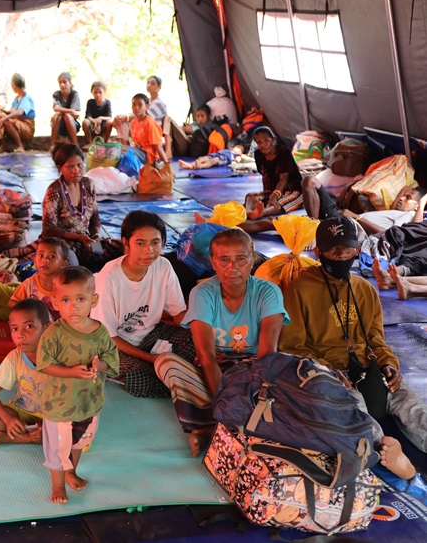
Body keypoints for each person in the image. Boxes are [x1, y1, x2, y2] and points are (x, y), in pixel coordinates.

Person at [279, 218, 427, 459]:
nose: (341, 255)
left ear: (357, 250)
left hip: (367, 367)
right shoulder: (299, 289)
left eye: (348, 249)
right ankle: (385, 454)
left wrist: (388, 364)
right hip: (328, 372)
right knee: (355, 414)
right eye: (333, 250)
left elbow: (376, 338)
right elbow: (291, 347)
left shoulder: (364, 288)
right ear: (319, 252)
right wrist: (324, 369)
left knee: (411, 406)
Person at [154, 228, 289, 456]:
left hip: (254, 371)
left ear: (253, 259)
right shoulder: (202, 293)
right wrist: (226, 403)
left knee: (293, 376)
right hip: (214, 371)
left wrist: (247, 395)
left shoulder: (268, 292)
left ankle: (211, 427)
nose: (232, 267)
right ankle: (234, 424)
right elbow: (206, 357)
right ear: (213, 261)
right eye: (224, 259)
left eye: (241, 259)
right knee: (165, 362)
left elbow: (267, 356)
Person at [38, 266, 120, 504]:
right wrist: (71, 372)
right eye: (66, 300)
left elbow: (111, 357)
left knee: (78, 442)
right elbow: (45, 365)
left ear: (93, 300)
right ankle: (57, 486)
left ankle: (71, 472)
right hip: (60, 405)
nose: (73, 306)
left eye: (81, 299)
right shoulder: (53, 334)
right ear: (54, 302)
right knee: (57, 449)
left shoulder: (99, 331)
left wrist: (99, 366)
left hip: (88, 401)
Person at [92, 211, 196, 398]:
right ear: (125, 243)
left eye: (155, 243)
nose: (149, 250)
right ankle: (176, 379)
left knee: (199, 342)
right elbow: (110, 337)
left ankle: (170, 375)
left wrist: (206, 331)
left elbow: (178, 313)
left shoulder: (163, 266)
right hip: (116, 347)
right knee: (139, 378)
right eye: (140, 243)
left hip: (153, 336)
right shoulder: (109, 277)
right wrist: (153, 359)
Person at [0, 298, 50, 446]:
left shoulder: (60, 358)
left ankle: (23, 436)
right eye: (15, 329)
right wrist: (8, 419)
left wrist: (50, 426)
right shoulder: (15, 357)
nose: (20, 334)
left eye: (29, 326)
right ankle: (29, 436)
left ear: (46, 327)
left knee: (77, 434)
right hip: (23, 412)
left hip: (54, 417)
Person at [40, 144, 123, 271]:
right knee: (70, 262)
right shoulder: (54, 191)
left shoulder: (88, 184)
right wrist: (79, 237)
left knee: (123, 246)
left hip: (85, 240)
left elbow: (95, 218)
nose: (76, 170)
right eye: (70, 167)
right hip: (63, 243)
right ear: (60, 168)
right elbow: (48, 230)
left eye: (79, 165)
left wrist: (95, 236)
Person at [244, 127, 303, 220]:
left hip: (293, 190)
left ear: (273, 140)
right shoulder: (258, 154)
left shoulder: (284, 151)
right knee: (250, 197)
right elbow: (265, 175)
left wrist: (274, 196)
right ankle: (249, 212)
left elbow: (284, 177)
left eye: (266, 140)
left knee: (281, 202)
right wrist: (267, 194)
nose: (263, 145)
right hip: (273, 190)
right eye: (259, 142)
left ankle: (261, 213)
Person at [9, 238, 69, 321]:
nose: (45, 260)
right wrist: (30, 311)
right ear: (34, 260)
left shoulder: (68, 286)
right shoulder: (29, 284)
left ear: (63, 263)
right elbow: (12, 303)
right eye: (41, 255)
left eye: (52, 257)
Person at [112, 93, 168, 167]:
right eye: (134, 104)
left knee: (120, 149)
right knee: (116, 148)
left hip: (148, 156)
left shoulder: (150, 123)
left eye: (140, 105)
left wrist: (167, 166)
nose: (136, 107)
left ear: (147, 107)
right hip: (138, 151)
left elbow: (158, 147)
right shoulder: (133, 123)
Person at [0, 73, 35, 154]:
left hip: (26, 126)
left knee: (8, 122)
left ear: (14, 86)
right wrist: (1, 109)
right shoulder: (17, 98)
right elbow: (11, 112)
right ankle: (4, 145)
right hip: (17, 122)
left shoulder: (26, 98)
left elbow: (19, 112)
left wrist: (4, 119)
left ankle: (20, 146)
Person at [50, 72, 81, 149]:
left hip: (72, 124)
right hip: (59, 123)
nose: (62, 85)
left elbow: (73, 112)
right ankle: (52, 145)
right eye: (60, 82)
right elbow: (56, 108)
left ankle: (75, 144)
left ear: (70, 83)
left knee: (66, 116)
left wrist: (61, 112)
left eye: (65, 82)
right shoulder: (56, 94)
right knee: (57, 117)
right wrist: (70, 111)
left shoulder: (74, 94)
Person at [82, 81, 113, 146]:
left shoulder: (107, 103)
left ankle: (105, 143)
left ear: (104, 92)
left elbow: (109, 117)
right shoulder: (90, 102)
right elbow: (88, 116)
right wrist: (95, 121)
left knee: (110, 122)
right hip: (93, 123)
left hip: (103, 124)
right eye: (95, 92)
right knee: (85, 122)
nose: (97, 94)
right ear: (92, 92)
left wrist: (100, 118)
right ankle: (89, 143)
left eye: (100, 92)